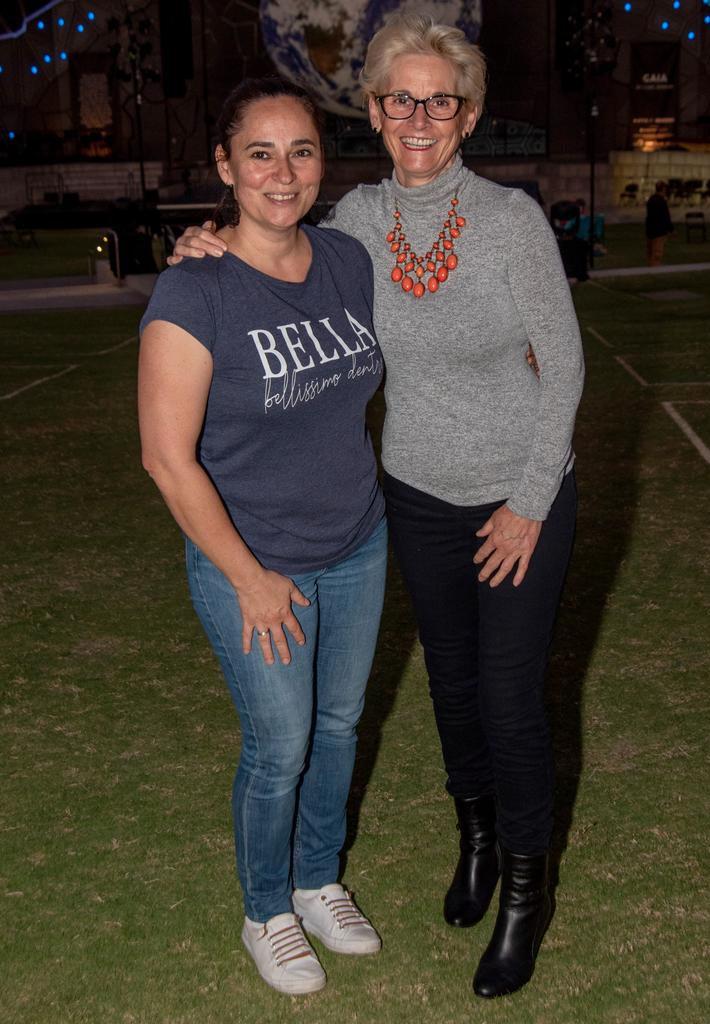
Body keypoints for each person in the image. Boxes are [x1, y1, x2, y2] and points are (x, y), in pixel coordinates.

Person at [170, 15, 584, 1000]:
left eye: (441, 100)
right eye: (402, 98)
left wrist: (530, 500)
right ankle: (476, 840)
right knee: (448, 689)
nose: (419, 117)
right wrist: (207, 239)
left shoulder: (512, 221)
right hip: (414, 494)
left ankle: (527, 889)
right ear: (376, 110)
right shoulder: (350, 226)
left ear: (469, 115)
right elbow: (270, 250)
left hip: (521, 492)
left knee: (510, 699)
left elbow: (563, 367)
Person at [138, 78, 388, 997]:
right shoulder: (192, 289)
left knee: (339, 724)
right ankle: (266, 908)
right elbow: (167, 460)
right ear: (224, 166)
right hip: (253, 561)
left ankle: (318, 879)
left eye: (302, 152)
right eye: (260, 153)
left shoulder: (346, 261)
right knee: (278, 746)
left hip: (359, 541)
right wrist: (247, 577)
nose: (283, 173)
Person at [645, 180, 673, 267]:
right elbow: (666, 217)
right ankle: (654, 269)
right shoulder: (661, 201)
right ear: (663, 189)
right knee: (657, 253)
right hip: (659, 232)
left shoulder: (651, 199)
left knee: (650, 253)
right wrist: (670, 229)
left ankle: (650, 268)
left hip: (650, 231)